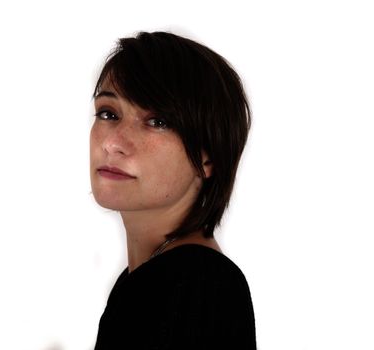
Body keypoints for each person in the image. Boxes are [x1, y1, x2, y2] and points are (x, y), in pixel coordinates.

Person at [90, 31, 256, 349]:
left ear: (208, 157)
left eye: (157, 122)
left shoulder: (199, 289)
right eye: (108, 113)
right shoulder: (150, 280)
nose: (112, 143)